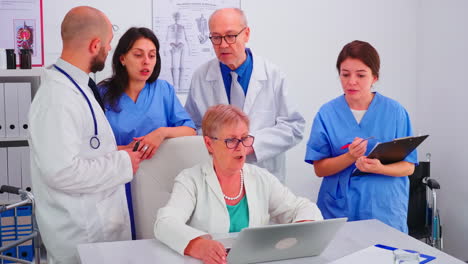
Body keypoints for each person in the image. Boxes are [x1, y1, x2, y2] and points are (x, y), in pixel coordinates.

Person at [28, 6, 141, 264]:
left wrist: (116, 153)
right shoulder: (57, 98)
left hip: (95, 231)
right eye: (108, 44)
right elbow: (61, 172)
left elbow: (83, 148)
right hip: (82, 236)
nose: (109, 50)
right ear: (95, 45)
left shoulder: (78, 86)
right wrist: (124, 163)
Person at [155, 104, 323, 264]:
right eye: (231, 140)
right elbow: (165, 223)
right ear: (209, 144)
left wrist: (303, 227)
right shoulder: (190, 180)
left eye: (244, 138)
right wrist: (197, 245)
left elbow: (301, 207)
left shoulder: (260, 178)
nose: (240, 147)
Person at [304, 40, 416, 233]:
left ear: (375, 77)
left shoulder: (395, 112)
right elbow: (320, 169)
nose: (351, 81)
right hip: (339, 210)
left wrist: (380, 168)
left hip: (384, 209)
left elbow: (408, 167)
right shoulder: (327, 113)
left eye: (361, 75)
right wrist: (350, 157)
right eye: (345, 74)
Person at [185, 8, 304, 182]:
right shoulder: (201, 77)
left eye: (231, 36)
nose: (223, 44)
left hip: (264, 173)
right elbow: (192, 126)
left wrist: (250, 145)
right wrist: (220, 144)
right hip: (217, 173)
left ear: (246, 34)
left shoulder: (272, 75)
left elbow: (294, 126)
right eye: (216, 37)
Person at [99, 27, 196, 239]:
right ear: (122, 58)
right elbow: (90, 143)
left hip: (156, 181)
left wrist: (161, 133)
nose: (146, 62)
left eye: (152, 55)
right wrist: (119, 151)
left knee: (154, 241)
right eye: (138, 54)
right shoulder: (102, 94)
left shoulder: (164, 90)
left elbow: (190, 130)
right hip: (115, 181)